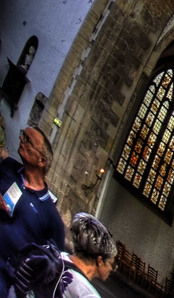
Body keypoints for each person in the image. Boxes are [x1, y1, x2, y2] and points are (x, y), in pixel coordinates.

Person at [0, 127, 65, 294]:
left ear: (41, 161)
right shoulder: (8, 167)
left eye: (28, 140)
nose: (22, 139)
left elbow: (54, 266)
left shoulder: (51, 217)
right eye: (23, 135)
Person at [58, 214, 115, 298]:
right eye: (112, 264)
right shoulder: (88, 295)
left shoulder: (56, 256)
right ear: (100, 261)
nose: (112, 269)